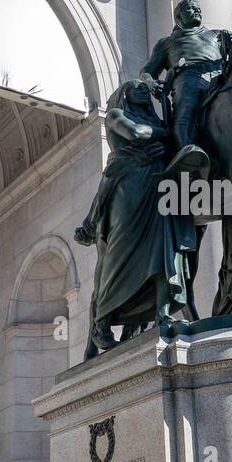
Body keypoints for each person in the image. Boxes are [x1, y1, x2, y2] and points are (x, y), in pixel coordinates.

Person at [74, 77, 198, 356]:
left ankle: (163, 311)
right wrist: (169, 130)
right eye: (136, 88)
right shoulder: (117, 115)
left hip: (156, 186)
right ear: (125, 94)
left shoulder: (154, 120)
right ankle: (101, 322)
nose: (143, 90)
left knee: (163, 250)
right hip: (127, 187)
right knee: (121, 252)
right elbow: (139, 133)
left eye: (146, 89)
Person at [141, 0, 229, 157]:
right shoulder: (167, 43)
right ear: (179, 17)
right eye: (190, 8)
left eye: (198, 8)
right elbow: (147, 70)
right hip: (189, 78)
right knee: (184, 118)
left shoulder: (217, 35)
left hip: (220, 75)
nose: (197, 10)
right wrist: (150, 83)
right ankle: (188, 158)